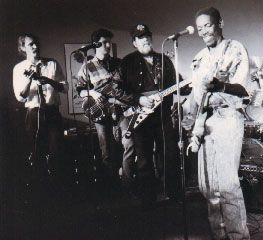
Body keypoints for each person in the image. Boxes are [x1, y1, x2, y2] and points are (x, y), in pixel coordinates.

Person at [183, 7, 250, 239]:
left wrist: (220, 86)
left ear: (219, 23)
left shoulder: (235, 48)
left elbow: (241, 88)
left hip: (227, 117)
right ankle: (219, 235)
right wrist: (189, 121)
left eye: (208, 25)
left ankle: (238, 236)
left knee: (228, 185)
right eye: (199, 28)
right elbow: (195, 96)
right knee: (208, 186)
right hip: (204, 122)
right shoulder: (199, 57)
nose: (203, 31)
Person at [120, 24, 183, 207]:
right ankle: (148, 199)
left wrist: (190, 84)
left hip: (163, 116)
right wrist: (138, 99)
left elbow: (177, 82)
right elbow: (116, 89)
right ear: (134, 42)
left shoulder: (163, 59)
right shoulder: (127, 62)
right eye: (140, 37)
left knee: (171, 154)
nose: (145, 39)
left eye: (147, 36)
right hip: (141, 117)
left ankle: (174, 195)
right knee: (144, 159)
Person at [77, 29, 136, 191]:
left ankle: (127, 182)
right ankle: (112, 186)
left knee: (129, 144)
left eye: (109, 42)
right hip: (100, 113)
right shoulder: (86, 67)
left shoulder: (120, 64)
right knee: (107, 151)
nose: (108, 45)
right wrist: (94, 94)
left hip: (121, 110)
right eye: (103, 43)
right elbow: (80, 90)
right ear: (95, 44)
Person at [13, 34, 67, 193]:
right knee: (36, 151)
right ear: (23, 48)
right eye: (31, 45)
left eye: (36, 43)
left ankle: (57, 187)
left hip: (52, 112)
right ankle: (40, 189)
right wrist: (30, 80)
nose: (35, 47)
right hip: (33, 112)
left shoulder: (52, 63)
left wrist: (48, 80)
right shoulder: (18, 68)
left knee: (56, 150)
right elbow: (20, 97)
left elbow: (64, 88)